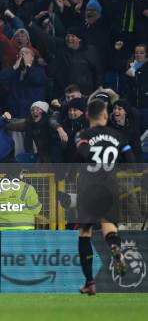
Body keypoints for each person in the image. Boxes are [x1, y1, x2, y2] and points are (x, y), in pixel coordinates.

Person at [75, 99, 136, 295]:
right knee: (109, 228)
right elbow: (131, 162)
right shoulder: (119, 137)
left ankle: (90, 282)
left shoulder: (82, 135)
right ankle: (116, 250)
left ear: (87, 115)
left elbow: (82, 153)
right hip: (110, 188)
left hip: (88, 188)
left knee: (85, 233)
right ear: (105, 115)